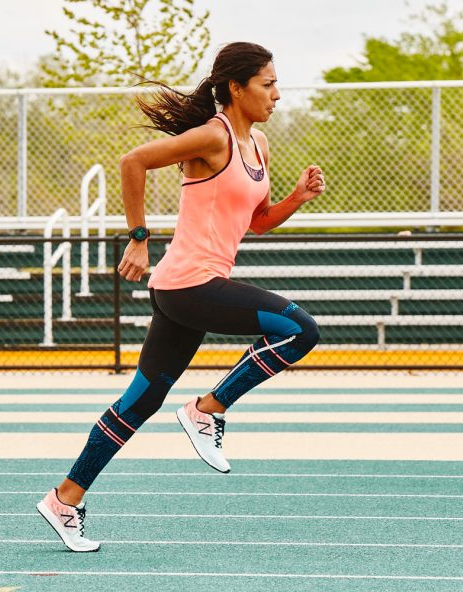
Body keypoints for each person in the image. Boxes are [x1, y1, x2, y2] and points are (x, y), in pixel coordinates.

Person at [36, 42, 325, 552]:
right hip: (190, 283)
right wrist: (139, 237)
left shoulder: (256, 147)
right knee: (301, 330)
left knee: (141, 401)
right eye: (268, 84)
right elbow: (133, 161)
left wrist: (296, 200)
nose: (277, 94)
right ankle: (207, 410)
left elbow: (256, 222)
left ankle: (65, 498)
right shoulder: (212, 138)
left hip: (186, 290)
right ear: (237, 88)